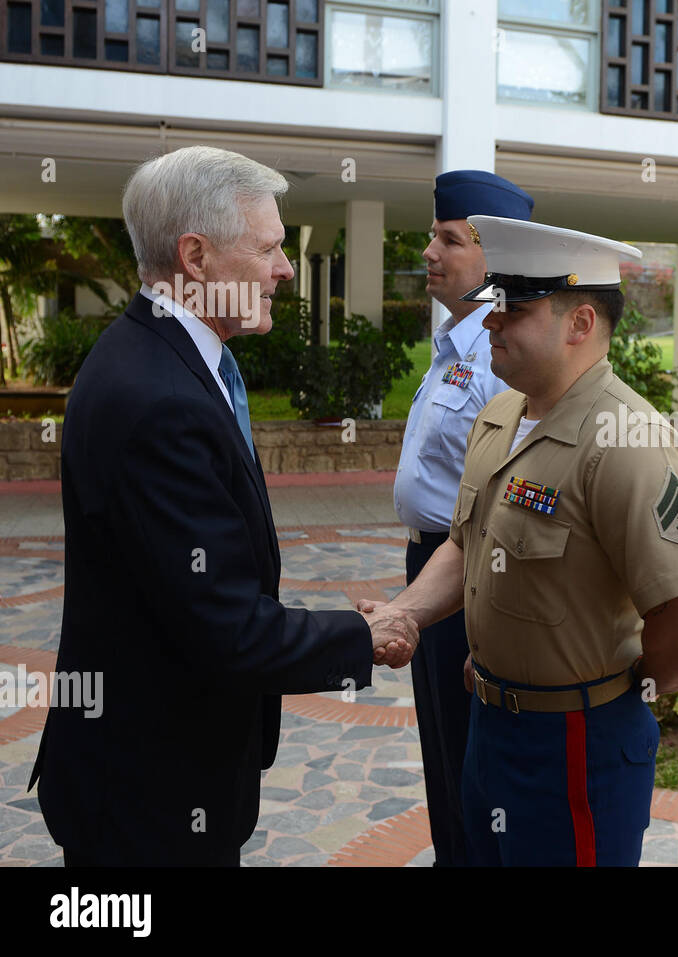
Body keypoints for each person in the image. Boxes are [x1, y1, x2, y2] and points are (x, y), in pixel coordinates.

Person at [27, 145, 419, 866]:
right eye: (269, 247)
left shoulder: (164, 360)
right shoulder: (160, 401)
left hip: (154, 779)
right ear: (196, 257)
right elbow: (227, 627)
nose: (286, 268)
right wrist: (363, 637)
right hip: (151, 799)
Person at [363, 216, 678, 865]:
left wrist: (593, 688)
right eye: (493, 302)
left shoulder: (627, 441)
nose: (491, 321)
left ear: (580, 322)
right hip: (489, 726)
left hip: (575, 742)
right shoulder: (500, 416)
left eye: (513, 308)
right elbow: (465, 545)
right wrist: (406, 613)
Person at [393, 169, 533, 866]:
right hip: (430, 565)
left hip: (472, 575)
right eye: (432, 236)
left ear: (493, 257)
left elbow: (515, 490)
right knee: (441, 756)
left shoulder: (498, 351)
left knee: (470, 769)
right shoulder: (456, 340)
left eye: (448, 239)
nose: (429, 251)